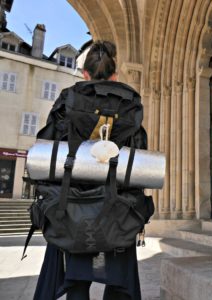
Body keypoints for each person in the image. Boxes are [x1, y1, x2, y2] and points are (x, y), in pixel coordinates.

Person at [33, 41, 146, 300]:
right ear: (115, 76)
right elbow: (138, 157)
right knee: (119, 285)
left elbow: (48, 151)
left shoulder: (69, 97)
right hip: (118, 209)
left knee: (76, 284)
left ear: (85, 74)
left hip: (72, 207)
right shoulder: (129, 103)